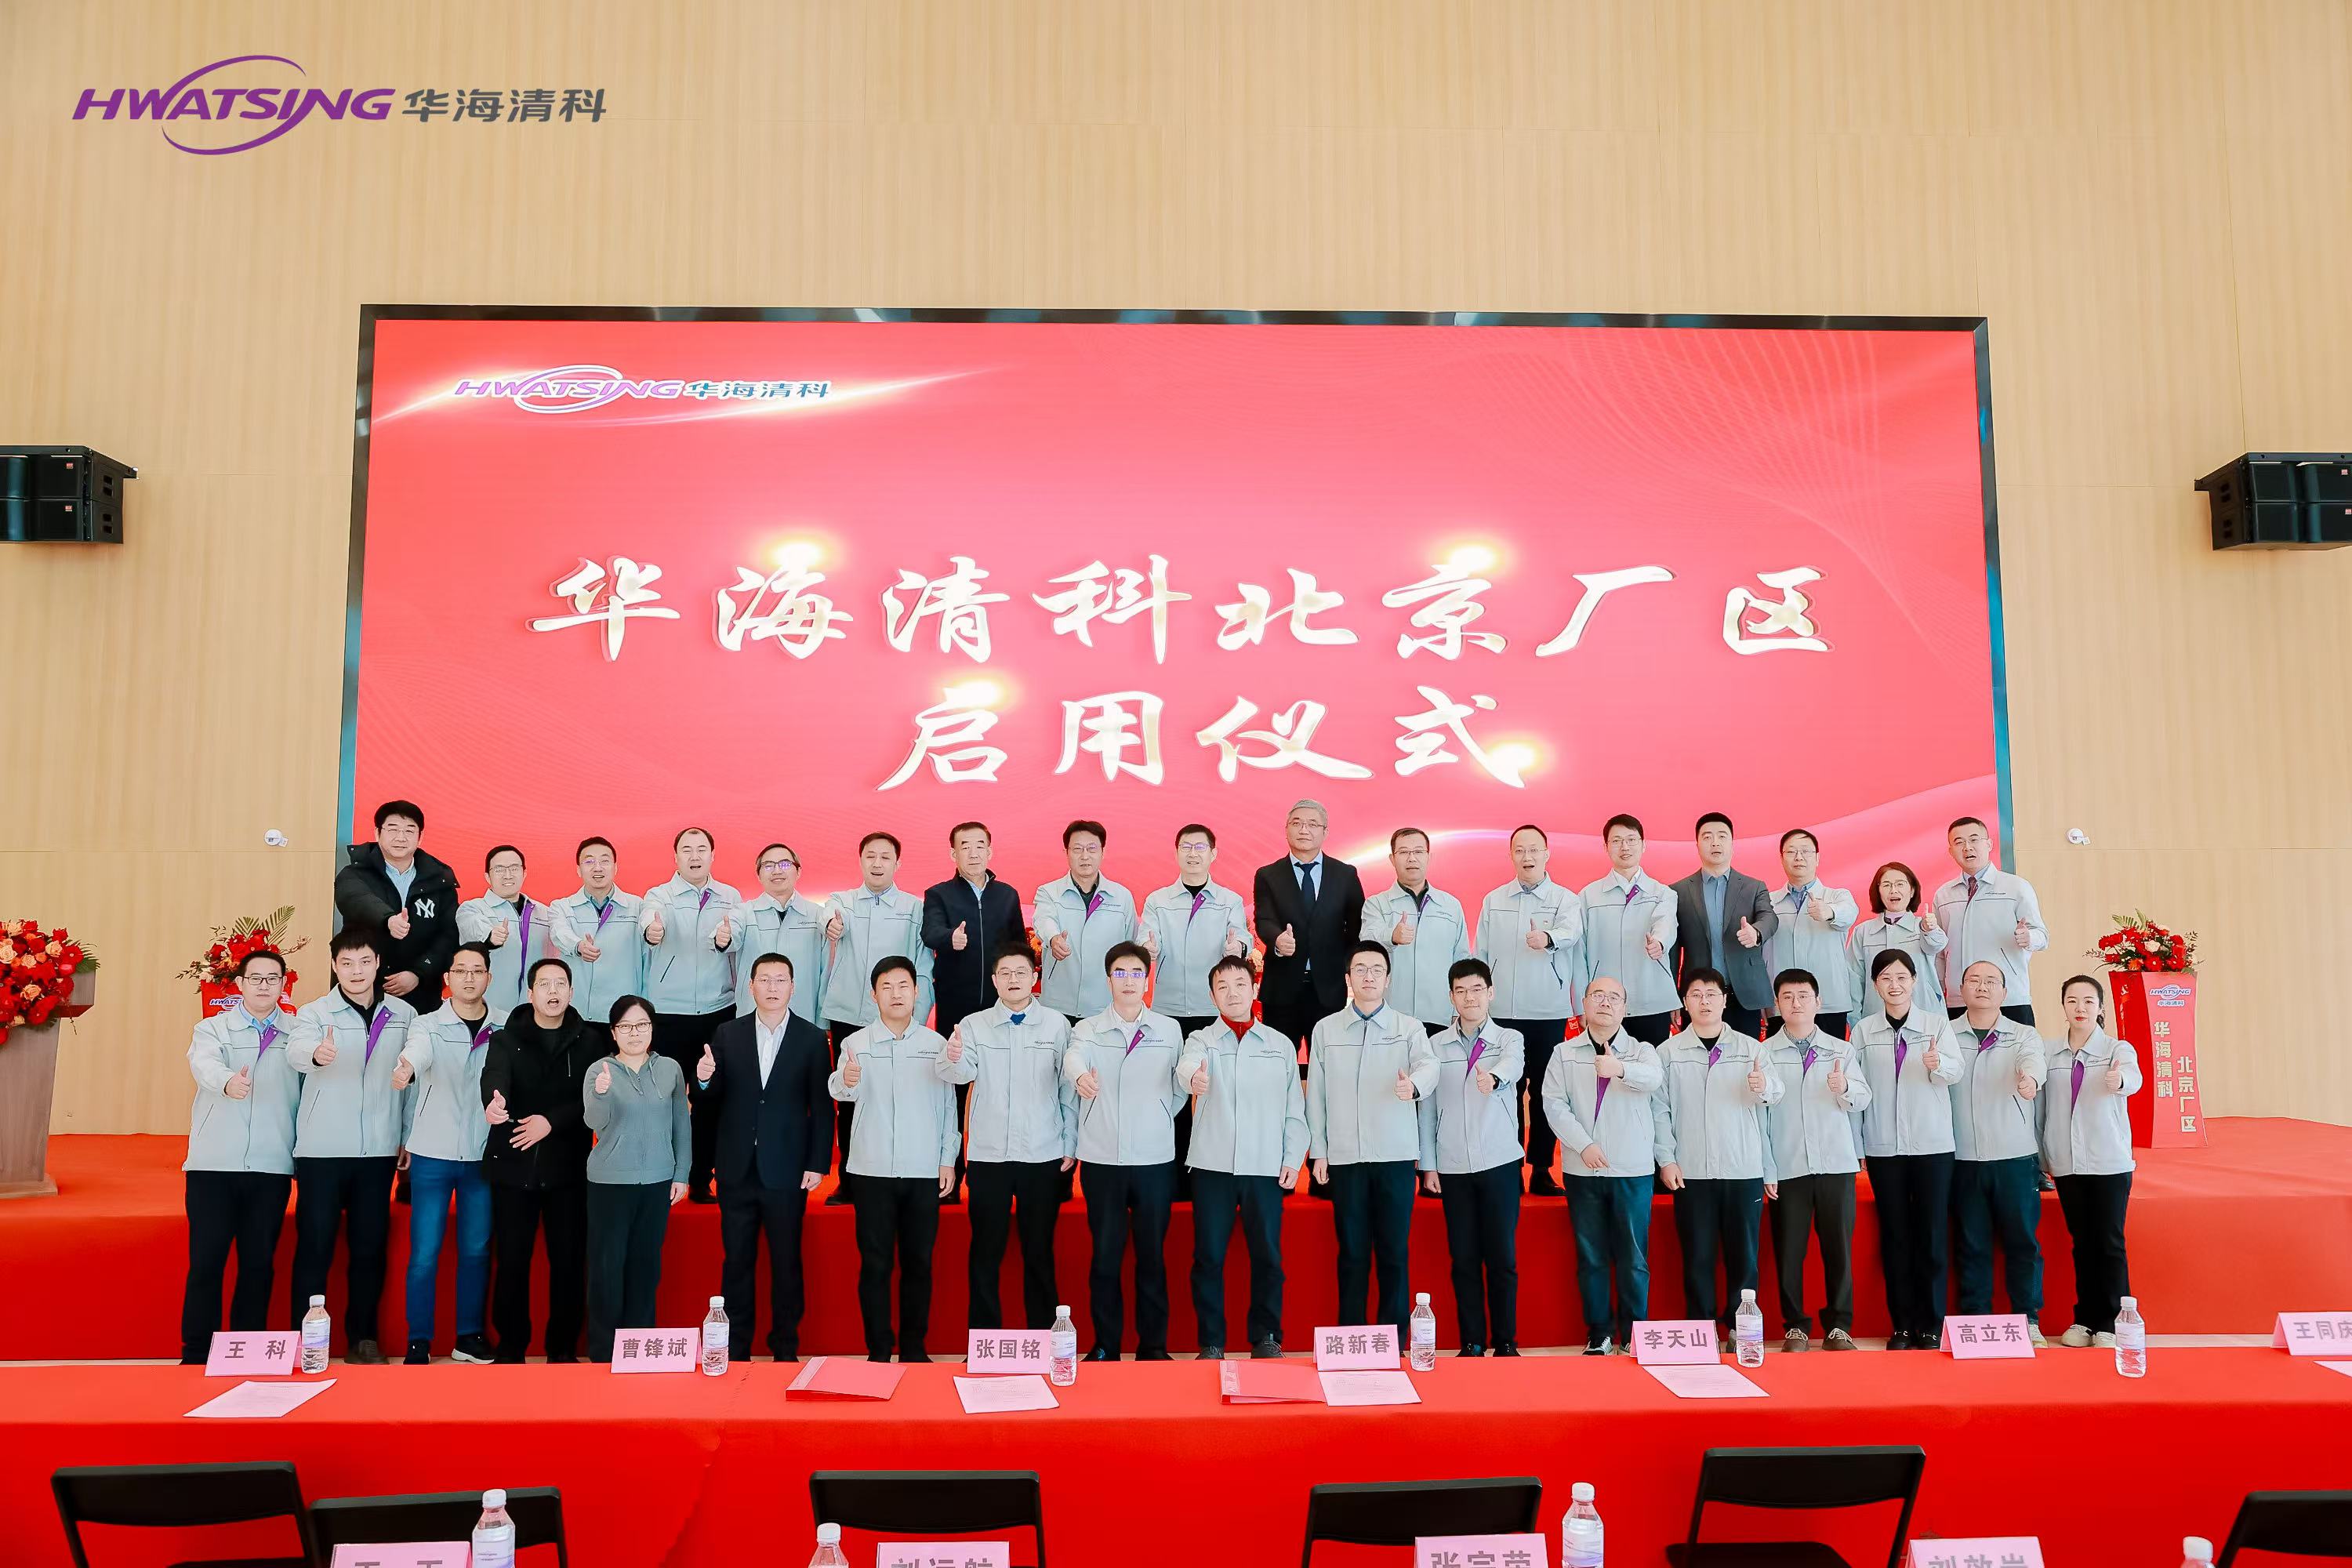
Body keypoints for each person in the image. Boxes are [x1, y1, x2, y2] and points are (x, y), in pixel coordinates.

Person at [286, 930, 416, 1364]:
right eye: (346, 963)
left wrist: (406, 1135)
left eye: (364, 962)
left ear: (378, 963)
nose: (356, 971)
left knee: (369, 1248)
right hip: (322, 1151)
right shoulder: (314, 1013)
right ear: (334, 967)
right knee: (315, 1246)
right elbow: (295, 1051)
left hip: (377, 1150)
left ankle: (363, 1338)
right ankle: (303, 1341)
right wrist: (316, 1055)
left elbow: (412, 1082)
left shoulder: (404, 1015)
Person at [701, 953, 832, 1361]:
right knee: (736, 1262)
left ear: (793, 987)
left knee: (786, 1262)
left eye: (780, 980)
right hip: (736, 1168)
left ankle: (785, 1348)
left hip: (788, 1170)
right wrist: (703, 1079)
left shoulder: (812, 1038)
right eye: (765, 980)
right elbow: (712, 1099)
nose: (773, 987)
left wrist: (817, 1163)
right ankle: (735, 1348)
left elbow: (821, 1106)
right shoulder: (728, 1034)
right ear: (751, 985)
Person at [1177, 954, 1307, 1360]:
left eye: (1240, 985)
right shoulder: (1201, 1041)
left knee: (1268, 1256)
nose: (1232, 993)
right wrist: (1193, 1078)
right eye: (1222, 987)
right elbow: (1185, 1068)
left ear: (1254, 989)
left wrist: (1292, 1157)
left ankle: (1267, 1337)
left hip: (1264, 1165)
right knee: (1208, 1257)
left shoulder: (1279, 1045)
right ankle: (1211, 1342)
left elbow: (1294, 1108)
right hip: (1212, 1165)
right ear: (1212, 996)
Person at [829, 955, 959, 1362]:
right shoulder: (856, 1044)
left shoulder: (935, 1045)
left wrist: (948, 1158)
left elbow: (948, 1108)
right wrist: (846, 1079)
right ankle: (879, 1350)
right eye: (886, 987)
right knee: (875, 1264)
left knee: (919, 1263)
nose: (896, 994)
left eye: (904, 985)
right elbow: (840, 1091)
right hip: (871, 1170)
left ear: (917, 992)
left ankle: (915, 1348)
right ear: (874, 995)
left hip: (923, 1169)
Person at [1306, 940, 1438, 1337]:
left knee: (1394, 1253)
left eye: (1377, 970)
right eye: (1360, 969)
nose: (1369, 977)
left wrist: (1413, 1086)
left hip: (1395, 1155)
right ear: (1348, 978)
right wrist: (1320, 1152)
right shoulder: (1326, 1029)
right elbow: (1316, 1095)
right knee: (1352, 1253)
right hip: (1346, 1156)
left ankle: (1393, 1338)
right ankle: (1352, 1337)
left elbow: (1430, 1066)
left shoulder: (1409, 1028)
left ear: (1388, 979)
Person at [1065, 942, 1185, 1359]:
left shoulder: (1168, 1029)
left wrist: (1155, 1116)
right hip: (1102, 1159)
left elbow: (1178, 1089)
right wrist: (1081, 1078)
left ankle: (1153, 1346)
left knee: (1152, 1256)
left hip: (1154, 1160)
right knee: (1105, 1256)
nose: (1129, 981)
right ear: (1108, 979)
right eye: (1120, 973)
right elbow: (1073, 1059)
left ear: (1147, 980)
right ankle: (1106, 1344)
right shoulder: (1088, 1028)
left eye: (1137, 973)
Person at [180, 949, 299, 1366]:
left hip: (271, 1165)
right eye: (255, 978)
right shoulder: (212, 1029)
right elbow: (203, 1065)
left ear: (283, 984)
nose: (264, 986)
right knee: (207, 1261)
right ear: (240, 984)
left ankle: (247, 1350)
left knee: (258, 1263)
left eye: (272, 978)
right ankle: (197, 1351)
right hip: (213, 1165)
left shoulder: (297, 1034)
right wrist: (228, 1081)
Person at [949, 946, 1076, 1332]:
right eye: (1005, 973)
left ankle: (1044, 1340)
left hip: (1042, 1153)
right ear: (994, 980)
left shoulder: (1057, 1025)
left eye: (1021, 972)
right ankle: (982, 1345)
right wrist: (952, 1055)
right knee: (985, 1253)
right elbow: (959, 1076)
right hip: (989, 1155)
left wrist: (1069, 1141)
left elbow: (1067, 1089)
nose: (1014, 979)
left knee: (1039, 1252)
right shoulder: (973, 1025)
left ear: (1035, 977)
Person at [1654, 967, 1782, 1346]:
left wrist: (1764, 1085)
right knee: (1697, 1256)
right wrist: (1667, 1159)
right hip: (1691, 1170)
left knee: (1744, 1257)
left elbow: (1773, 1099)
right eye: (1696, 994)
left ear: (1725, 1001)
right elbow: (1660, 1111)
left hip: (1742, 1168)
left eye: (1712, 994)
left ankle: (1741, 1330)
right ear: (1685, 1003)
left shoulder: (1751, 1048)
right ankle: (1701, 1330)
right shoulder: (1668, 1053)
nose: (1704, 1001)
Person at [480, 957, 597, 1363]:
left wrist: (552, 1121)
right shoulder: (505, 1038)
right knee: (512, 1261)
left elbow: (592, 1098)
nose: (553, 991)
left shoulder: (590, 1040)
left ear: (571, 991)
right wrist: (493, 1102)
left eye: (560, 984)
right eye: (544, 984)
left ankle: (562, 1348)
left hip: (569, 1169)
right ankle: (511, 1346)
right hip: (514, 1165)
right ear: (530, 993)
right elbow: (494, 1078)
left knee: (569, 1262)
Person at [1541, 975, 1666, 1354]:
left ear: (1625, 1008)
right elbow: (1553, 1104)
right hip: (1583, 1169)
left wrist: (1620, 1068)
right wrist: (1584, 1145)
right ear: (1584, 1003)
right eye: (1598, 995)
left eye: (1614, 997)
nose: (1606, 1002)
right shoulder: (1564, 1052)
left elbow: (1654, 1079)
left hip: (1632, 1169)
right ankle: (1599, 1333)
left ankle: (1635, 1334)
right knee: (1591, 1255)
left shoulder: (1642, 1051)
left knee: (1634, 1258)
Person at [390, 941, 496, 1365]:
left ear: (488, 978)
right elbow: (417, 1053)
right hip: (432, 1153)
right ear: (448, 978)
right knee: (424, 1253)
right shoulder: (426, 1024)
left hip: (483, 1154)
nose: (469, 978)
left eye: (477, 971)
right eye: (461, 971)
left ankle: (468, 1336)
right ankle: (419, 1338)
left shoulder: (506, 1024)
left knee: (477, 1250)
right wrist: (406, 1067)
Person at [1851, 949, 1962, 1348]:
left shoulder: (1936, 1024)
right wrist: (1857, 1144)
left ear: (1915, 981)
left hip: (1933, 1145)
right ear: (1875, 985)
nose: (1894, 985)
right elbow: (1857, 1090)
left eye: (1901, 977)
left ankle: (1931, 1325)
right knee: (1895, 1236)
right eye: (1885, 978)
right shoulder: (1863, 1031)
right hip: (1884, 1147)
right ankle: (1901, 1325)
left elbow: (1956, 1071)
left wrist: (1938, 1063)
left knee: (1932, 1234)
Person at [1416, 958, 1525, 1356]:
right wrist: (1429, 1164)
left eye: (1477, 989)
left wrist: (1494, 1077)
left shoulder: (1509, 1039)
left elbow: (1514, 1067)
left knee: (1502, 1258)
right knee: (1463, 1258)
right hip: (1453, 1165)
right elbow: (1427, 1110)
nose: (1470, 998)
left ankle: (1506, 1341)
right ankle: (1472, 1342)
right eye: (1461, 991)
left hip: (1500, 1161)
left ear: (1490, 993)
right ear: (1451, 997)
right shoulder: (1435, 1046)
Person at [1759, 968, 1871, 1352]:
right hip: (1788, 1165)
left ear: (1818, 1002)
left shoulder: (1841, 1050)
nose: (1796, 1003)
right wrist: (1767, 1168)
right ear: (1777, 1004)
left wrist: (1845, 1087)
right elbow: (1760, 1116)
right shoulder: (1764, 1053)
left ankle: (1839, 1326)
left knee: (1838, 1249)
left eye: (1803, 996)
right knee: (1789, 1251)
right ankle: (1795, 1326)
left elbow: (1862, 1099)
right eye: (1787, 997)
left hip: (1836, 1163)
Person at [820, 832, 934, 1205]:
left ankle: (902, 1173)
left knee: (898, 1095)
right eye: (871, 856)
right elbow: (827, 915)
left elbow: (923, 965)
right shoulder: (842, 902)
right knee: (850, 1098)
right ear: (860, 860)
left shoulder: (914, 908)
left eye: (886, 857)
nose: (878, 863)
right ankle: (849, 1180)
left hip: (898, 1018)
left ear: (898, 863)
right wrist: (831, 923)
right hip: (850, 1016)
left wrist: (917, 1016)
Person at [1473, 824, 1581, 1196]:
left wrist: (1548, 938)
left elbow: (1572, 933)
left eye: (1534, 850)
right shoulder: (1494, 900)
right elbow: (1481, 954)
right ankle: (1510, 1166)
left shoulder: (1565, 899)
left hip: (1547, 1011)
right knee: (1507, 1090)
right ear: (1511, 856)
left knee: (1545, 1092)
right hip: (1502, 1013)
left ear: (1547, 854)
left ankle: (1542, 1169)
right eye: (1520, 850)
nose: (1527, 857)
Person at [583, 995, 690, 1363]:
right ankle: (603, 1352)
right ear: (613, 1033)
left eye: (642, 1025)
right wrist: (600, 1094)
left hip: (658, 1181)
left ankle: (639, 1351)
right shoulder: (599, 1071)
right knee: (607, 1269)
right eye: (626, 1026)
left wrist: (682, 1173)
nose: (634, 1033)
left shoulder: (670, 1069)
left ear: (652, 1029)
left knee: (646, 1268)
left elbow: (681, 1124)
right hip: (610, 1183)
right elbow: (594, 1122)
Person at [1947, 960, 2048, 1344]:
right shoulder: (1945, 1034)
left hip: (2014, 1158)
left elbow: (2033, 1063)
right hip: (1963, 1159)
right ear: (1961, 989)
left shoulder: (2023, 1034)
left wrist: (2030, 1079)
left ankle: (2029, 1319)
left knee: (2022, 1241)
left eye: (1991, 981)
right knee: (1971, 1242)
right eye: (1974, 980)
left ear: (2005, 992)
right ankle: (1975, 1321)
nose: (1982, 987)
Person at [2039, 975, 2142, 1348]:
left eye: (2088, 1001)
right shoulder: (2050, 1053)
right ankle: (2084, 1319)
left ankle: (2112, 1323)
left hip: (2108, 1162)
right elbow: (2042, 1108)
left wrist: (2120, 1081)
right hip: (2067, 1163)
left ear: (2100, 1007)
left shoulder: (2116, 1049)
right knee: (2082, 1243)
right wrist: (2043, 1156)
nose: (2080, 1008)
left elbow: (2133, 1077)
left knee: (2109, 1242)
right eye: (2072, 1001)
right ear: (2063, 1006)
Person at [641, 826, 742, 1203]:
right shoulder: (659, 895)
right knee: (663, 1100)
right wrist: (653, 931)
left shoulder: (730, 896)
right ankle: (659, 1177)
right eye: (687, 849)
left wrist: (725, 940)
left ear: (713, 855)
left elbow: (736, 935)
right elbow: (648, 923)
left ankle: (700, 1178)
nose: (695, 856)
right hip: (669, 1014)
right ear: (676, 857)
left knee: (710, 1098)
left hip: (717, 1012)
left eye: (702, 849)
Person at [1251, 798, 1368, 1051]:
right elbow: (1264, 919)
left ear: (1325, 832)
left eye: (1313, 824)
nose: (1304, 830)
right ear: (1286, 830)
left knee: (1329, 1063)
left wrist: (1346, 965)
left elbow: (1357, 926)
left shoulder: (1345, 874)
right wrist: (1277, 940)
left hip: (1329, 990)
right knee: (1277, 1062)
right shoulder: (1268, 875)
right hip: (1281, 990)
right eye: (1297, 823)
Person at [332, 799, 459, 1006]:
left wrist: (418, 973)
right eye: (393, 829)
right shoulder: (355, 873)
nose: (401, 837)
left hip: (422, 991)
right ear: (377, 833)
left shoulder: (440, 880)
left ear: (420, 837)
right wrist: (388, 920)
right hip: (363, 987)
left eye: (409, 830)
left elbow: (449, 936)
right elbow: (356, 899)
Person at [1669, 812, 1779, 1038]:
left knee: (1746, 1055)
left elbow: (1769, 917)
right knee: (1699, 1054)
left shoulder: (1754, 887)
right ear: (1697, 845)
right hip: (1698, 995)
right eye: (1707, 837)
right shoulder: (1678, 891)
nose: (1715, 842)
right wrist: (1672, 997)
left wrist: (1756, 933)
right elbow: (1672, 949)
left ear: (1732, 843)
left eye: (1722, 836)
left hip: (1743, 994)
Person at [1138, 822, 1251, 1035]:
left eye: (1200, 847)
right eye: (1186, 847)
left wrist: (1237, 947)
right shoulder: (1158, 900)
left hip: (1214, 1003)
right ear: (1176, 853)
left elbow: (1243, 938)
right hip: (1168, 1006)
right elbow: (1147, 936)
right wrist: (1148, 948)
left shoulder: (1230, 900)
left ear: (1213, 854)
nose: (1193, 853)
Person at [1930, 817, 2046, 1025]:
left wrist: (2029, 937)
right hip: (1959, 999)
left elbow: (2042, 936)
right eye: (1959, 842)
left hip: (2008, 997)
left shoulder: (2016, 887)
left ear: (1989, 844)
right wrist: (1937, 991)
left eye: (1974, 840)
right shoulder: (1944, 895)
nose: (1967, 847)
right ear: (1951, 851)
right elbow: (1939, 952)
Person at [1577, 815, 1680, 1044]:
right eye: (1617, 841)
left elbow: (1666, 924)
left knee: (1652, 1064)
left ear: (1643, 845)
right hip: (1604, 1004)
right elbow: (1579, 952)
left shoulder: (1663, 893)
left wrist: (1659, 943)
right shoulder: (1588, 897)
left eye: (1631, 840)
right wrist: (1581, 1001)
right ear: (1606, 847)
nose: (1625, 847)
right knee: (1605, 1064)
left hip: (1651, 999)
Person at [922, 820, 1029, 1035]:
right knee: (956, 1053)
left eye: (980, 846)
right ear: (953, 854)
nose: (973, 854)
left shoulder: (1008, 895)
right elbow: (930, 932)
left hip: (1000, 1000)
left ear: (989, 852)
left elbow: (1019, 945)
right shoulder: (938, 894)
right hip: (954, 1001)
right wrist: (950, 937)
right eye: (965, 847)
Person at [1360, 826, 1470, 1033]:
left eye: (1418, 852)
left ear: (1429, 857)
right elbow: (1366, 945)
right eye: (1404, 852)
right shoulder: (1377, 904)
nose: (1412, 858)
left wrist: (1460, 1008)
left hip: (1440, 1014)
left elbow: (1461, 959)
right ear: (1392, 859)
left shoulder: (1450, 905)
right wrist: (1392, 936)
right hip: (1389, 1014)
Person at [1033, 819, 1138, 1023]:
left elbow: (1130, 946)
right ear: (1066, 852)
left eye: (1092, 849)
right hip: (1059, 1004)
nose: (1084, 856)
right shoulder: (1049, 892)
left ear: (1103, 852)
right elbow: (1044, 920)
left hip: (1105, 1004)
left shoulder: (1122, 896)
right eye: (1077, 849)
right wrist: (1054, 939)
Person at [1762, 829, 1859, 1038]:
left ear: (1817, 858)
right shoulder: (1768, 901)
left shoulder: (1837, 896)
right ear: (1781, 858)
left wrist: (1830, 912)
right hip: (1782, 1003)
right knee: (1780, 1057)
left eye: (1806, 851)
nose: (1799, 857)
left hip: (1828, 1002)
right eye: (1791, 852)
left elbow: (1850, 913)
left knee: (1831, 1056)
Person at [457, 844, 570, 1018]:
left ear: (524, 873)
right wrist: (490, 937)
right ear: (487, 876)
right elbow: (474, 928)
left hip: (536, 1011)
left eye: (514, 868)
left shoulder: (543, 913)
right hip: (488, 1009)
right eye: (499, 869)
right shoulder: (473, 909)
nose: (508, 875)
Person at [551, 837, 647, 1030]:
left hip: (624, 1015)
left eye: (604, 861)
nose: (597, 868)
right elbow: (558, 932)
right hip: (577, 1013)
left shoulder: (637, 906)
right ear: (578, 869)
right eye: (589, 862)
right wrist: (578, 946)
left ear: (615, 867)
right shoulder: (562, 907)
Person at [735, 843, 830, 1027]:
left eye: (785, 864)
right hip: (752, 1013)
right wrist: (722, 938)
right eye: (768, 866)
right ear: (758, 875)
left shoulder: (818, 915)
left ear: (798, 871)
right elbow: (728, 940)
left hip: (803, 1014)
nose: (777, 871)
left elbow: (825, 973)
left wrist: (822, 1023)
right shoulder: (743, 913)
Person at [1848, 862, 1947, 1022]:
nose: (1893, 890)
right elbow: (1854, 979)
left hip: (1924, 1012)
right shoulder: (1863, 932)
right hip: (1875, 1014)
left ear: (1912, 890)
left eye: (1900, 884)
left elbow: (1937, 944)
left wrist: (1930, 929)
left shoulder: (1922, 926)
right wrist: (1855, 1022)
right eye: (1886, 885)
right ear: (1878, 891)